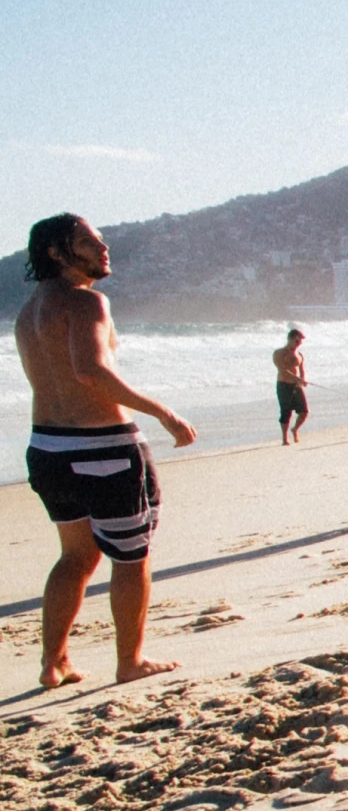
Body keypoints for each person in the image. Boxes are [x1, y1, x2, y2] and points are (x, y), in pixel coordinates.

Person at [15, 214, 196, 689]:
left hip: (47, 449)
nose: (102, 248)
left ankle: (53, 663)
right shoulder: (87, 302)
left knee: (75, 557)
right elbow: (91, 370)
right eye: (88, 242)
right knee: (132, 557)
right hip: (103, 449)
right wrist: (163, 412)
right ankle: (130, 661)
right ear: (56, 252)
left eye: (101, 240)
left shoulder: (30, 310)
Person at [273, 328, 308, 445]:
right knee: (286, 411)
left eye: (300, 342)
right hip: (283, 385)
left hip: (296, 386)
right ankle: (284, 438)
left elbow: (302, 370)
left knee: (304, 412)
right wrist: (296, 378)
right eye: (296, 341)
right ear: (289, 339)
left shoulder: (300, 354)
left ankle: (295, 429)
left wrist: (302, 379)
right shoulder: (279, 353)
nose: (298, 344)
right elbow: (282, 370)